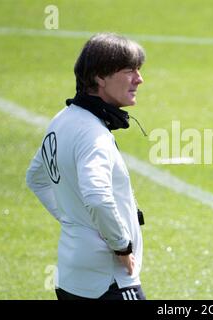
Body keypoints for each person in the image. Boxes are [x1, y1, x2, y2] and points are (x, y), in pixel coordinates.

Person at [26, 33, 147, 300]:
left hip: (71, 277)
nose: (139, 79)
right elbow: (98, 197)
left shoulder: (62, 119)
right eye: (129, 71)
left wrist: (73, 221)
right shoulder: (95, 135)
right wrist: (122, 247)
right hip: (110, 280)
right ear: (99, 77)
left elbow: (35, 178)